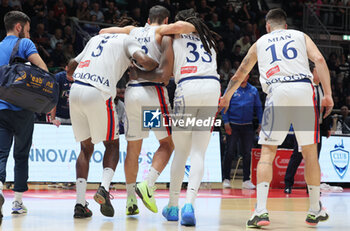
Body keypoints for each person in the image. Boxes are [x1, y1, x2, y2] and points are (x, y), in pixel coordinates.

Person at [219, 8, 333, 228]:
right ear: (286, 26)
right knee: (310, 153)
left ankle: (261, 212)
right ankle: (314, 210)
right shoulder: (300, 36)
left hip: (278, 90)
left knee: (268, 153)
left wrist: (226, 97)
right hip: (303, 90)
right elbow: (319, 58)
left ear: (268, 26)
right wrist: (327, 94)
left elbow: (240, 72)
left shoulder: (261, 42)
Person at [100, 7, 196, 216]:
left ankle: (130, 200)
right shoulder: (163, 33)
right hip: (153, 94)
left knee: (133, 149)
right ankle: (148, 184)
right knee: (168, 144)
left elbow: (102, 33)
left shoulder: (132, 31)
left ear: (147, 19)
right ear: (166, 20)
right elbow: (165, 75)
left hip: (132, 93)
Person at [131, 8, 220, 226]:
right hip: (212, 87)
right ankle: (189, 204)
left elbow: (166, 72)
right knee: (199, 151)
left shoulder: (173, 36)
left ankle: (172, 205)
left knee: (181, 150)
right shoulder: (209, 41)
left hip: (187, 87)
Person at [67, 20, 157, 219]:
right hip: (98, 92)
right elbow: (145, 60)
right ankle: (104, 189)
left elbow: (71, 65)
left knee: (85, 148)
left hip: (76, 89)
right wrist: (154, 65)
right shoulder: (128, 39)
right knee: (112, 145)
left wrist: (73, 75)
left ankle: (80, 204)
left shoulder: (96, 38)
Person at [0, 11, 48, 217]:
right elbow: (43, 69)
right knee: (21, 155)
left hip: (1, 109)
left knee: (1, 154)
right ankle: (17, 203)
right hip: (22, 110)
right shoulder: (26, 45)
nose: (28, 35)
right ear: (19, 27)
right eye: (27, 30)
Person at [284, 64, 332, 194]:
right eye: (318, 71)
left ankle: (311, 187)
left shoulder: (322, 88)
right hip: (303, 127)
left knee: (314, 159)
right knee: (297, 156)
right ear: (311, 72)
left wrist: (327, 127)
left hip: (318, 128)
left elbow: (326, 109)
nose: (320, 74)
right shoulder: (305, 87)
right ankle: (288, 183)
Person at [222, 74, 262, 189]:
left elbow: (258, 108)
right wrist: (226, 123)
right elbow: (224, 106)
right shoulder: (231, 89)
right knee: (229, 152)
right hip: (233, 125)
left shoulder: (253, 90)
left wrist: (260, 123)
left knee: (247, 153)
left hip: (247, 126)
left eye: (245, 75)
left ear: (248, 76)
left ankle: (246, 180)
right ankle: (226, 179)